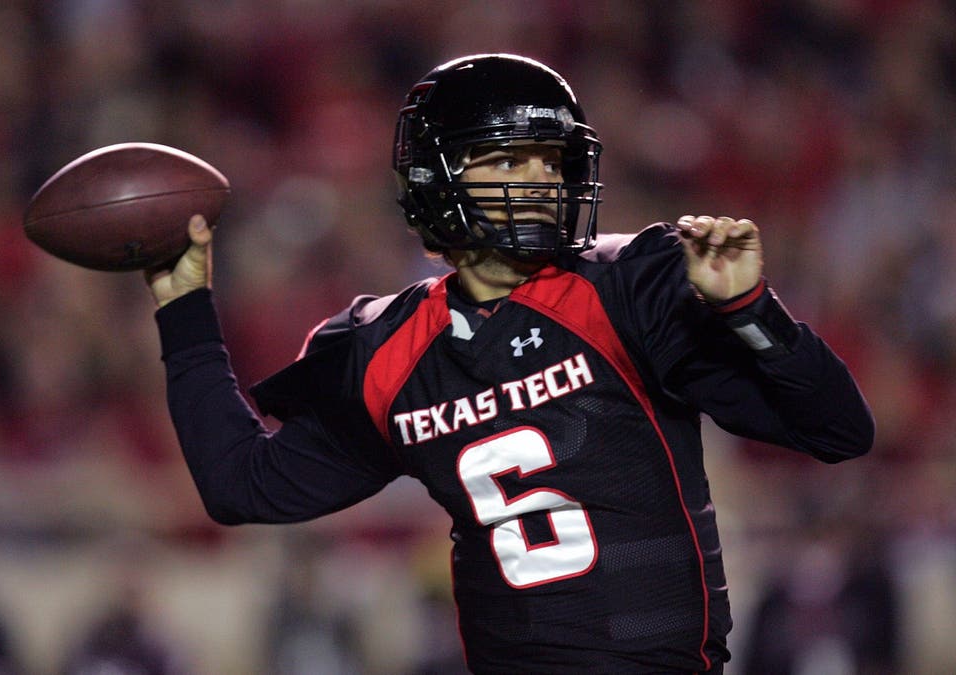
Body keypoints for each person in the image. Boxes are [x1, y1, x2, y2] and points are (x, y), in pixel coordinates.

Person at [146, 53, 874, 674]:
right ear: (439, 182)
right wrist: (184, 309)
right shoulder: (385, 352)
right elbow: (241, 484)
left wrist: (750, 310)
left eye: (551, 160)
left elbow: (840, 428)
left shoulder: (627, 289)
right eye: (507, 158)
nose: (539, 180)